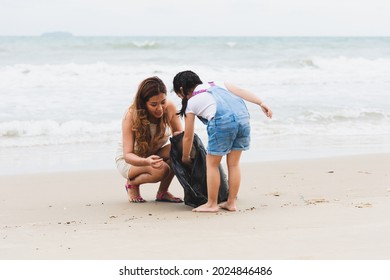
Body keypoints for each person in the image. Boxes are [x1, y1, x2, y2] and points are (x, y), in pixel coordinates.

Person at [173, 70, 272, 212]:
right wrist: (261, 102)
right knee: (233, 164)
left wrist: (185, 156)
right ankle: (231, 202)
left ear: (181, 90)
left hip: (222, 123)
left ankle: (212, 204)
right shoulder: (218, 84)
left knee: (212, 164)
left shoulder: (191, 103)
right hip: (243, 119)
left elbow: (188, 136)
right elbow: (241, 91)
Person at [115, 76, 183, 203]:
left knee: (180, 147)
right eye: (153, 104)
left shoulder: (169, 108)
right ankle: (132, 184)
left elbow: (179, 138)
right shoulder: (131, 115)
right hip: (130, 161)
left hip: (152, 156)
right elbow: (128, 154)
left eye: (163, 102)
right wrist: (146, 161)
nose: (160, 109)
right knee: (162, 169)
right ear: (143, 103)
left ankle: (162, 193)